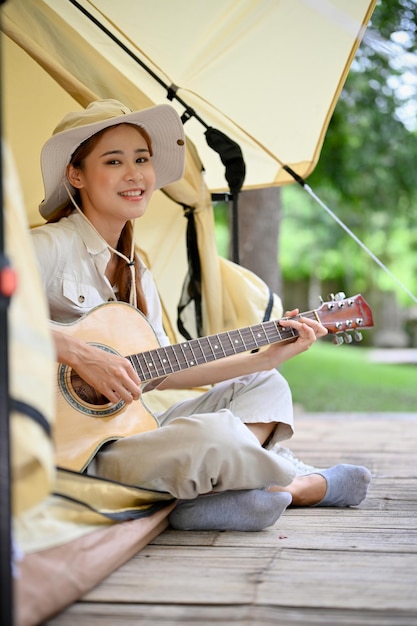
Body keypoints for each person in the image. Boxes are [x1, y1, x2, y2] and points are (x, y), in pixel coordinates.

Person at [31, 99, 371, 532]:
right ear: (75, 175)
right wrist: (78, 352)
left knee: (265, 386)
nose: (135, 174)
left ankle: (203, 499)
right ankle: (295, 484)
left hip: (131, 431)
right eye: (114, 161)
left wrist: (267, 355)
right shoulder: (49, 247)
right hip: (75, 450)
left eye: (142, 159)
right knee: (213, 438)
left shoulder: (139, 272)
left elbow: (160, 371)